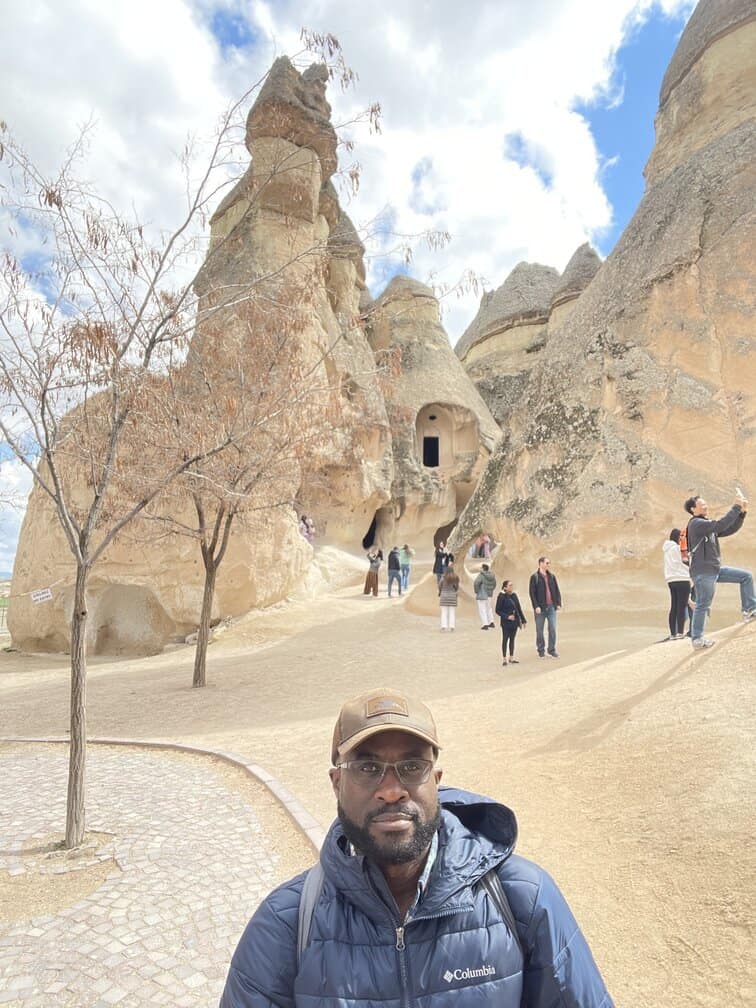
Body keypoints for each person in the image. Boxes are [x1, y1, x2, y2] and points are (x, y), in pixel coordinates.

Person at [220, 687, 614, 1008]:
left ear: (436, 780)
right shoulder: (286, 925)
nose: (391, 791)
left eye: (412, 767)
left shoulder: (523, 901)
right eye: (367, 768)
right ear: (336, 783)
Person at [685, 493, 755, 649]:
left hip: (713, 569)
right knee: (703, 604)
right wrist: (736, 506)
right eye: (702, 504)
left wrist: (742, 514)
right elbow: (721, 524)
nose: (706, 505)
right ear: (693, 509)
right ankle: (697, 639)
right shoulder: (696, 524)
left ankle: (749, 610)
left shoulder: (706, 524)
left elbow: (728, 529)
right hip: (703, 572)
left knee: (746, 577)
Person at [528, 556, 562, 658]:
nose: (548, 565)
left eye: (549, 563)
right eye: (547, 563)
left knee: (552, 628)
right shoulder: (535, 577)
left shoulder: (552, 576)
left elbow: (556, 590)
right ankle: (541, 650)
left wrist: (558, 603)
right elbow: (532, 593)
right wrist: (536, 606)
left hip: (551, 607)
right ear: (541, 563)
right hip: (540, 609)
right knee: (539, 630)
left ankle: (551, 650)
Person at [663, 529, 691, 640]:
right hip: (682, 579)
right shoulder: (679, 548)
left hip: (671, 580)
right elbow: (686, 560)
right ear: (678, 537)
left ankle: (673, 634)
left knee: (674, 606)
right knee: (681, 606)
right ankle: (680, 633)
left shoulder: (666, 550)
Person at [495, 579, 527, 665]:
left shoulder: (514, 595)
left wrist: (523, 620)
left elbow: (518, 608)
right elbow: (497, 610)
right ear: (505, 587)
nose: (511, 587)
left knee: (512, 639)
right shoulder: (501, 596)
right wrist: (507, 616)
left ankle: (511, 658)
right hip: (506, 622)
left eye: (512, 585)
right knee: (505, 639)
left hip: (515, 622)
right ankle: (504, 659)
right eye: (510, 585)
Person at [473, 563, 497, 630]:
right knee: (489, 608)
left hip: (482, 594)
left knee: (482, 609)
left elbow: (476, 583)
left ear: (483, 568)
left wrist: (477, 591)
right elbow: (494, 584)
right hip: (489, 594)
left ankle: (485, 624)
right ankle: (491, 622)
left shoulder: (481, 575)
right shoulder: (492, 575)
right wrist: (491, 590)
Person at [438, 564, 459, 631]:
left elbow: (440, 586)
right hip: (452, 596)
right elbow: (457, 587)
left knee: (444, 612)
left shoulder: (443, 578)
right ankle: (452, 626)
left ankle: (444, 626)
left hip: (444, 596)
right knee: (452, 612)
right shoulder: (455, 578)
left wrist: (440, 591)